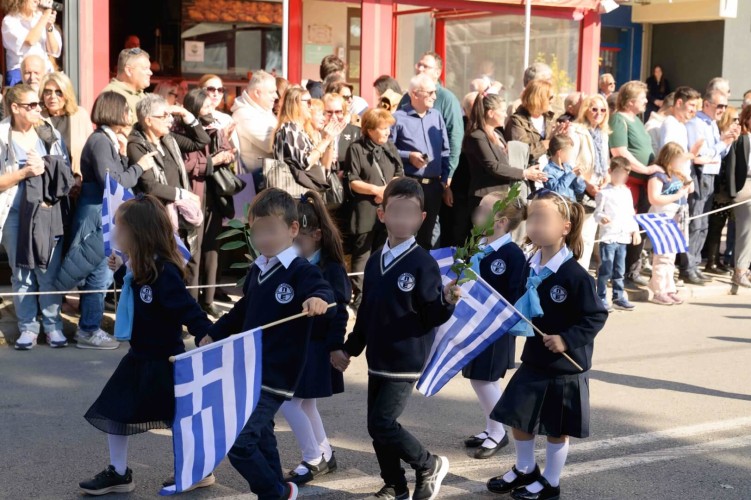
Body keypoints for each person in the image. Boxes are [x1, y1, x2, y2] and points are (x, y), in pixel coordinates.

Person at [198, 188, 335, 500]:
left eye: (271, 230)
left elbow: (323, 290)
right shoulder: (258, 269)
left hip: (277, 374)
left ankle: (276, 493)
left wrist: (317, 299)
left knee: (240, 442)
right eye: (257, 232)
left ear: (293, 229)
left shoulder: (301, 269)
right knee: (262, 437)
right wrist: (214, 333)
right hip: (249, 370)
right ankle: (275, 490)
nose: (263, 239)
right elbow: (242, 310)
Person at [78, 195, 214, 496]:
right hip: (139, 357)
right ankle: (119, 473)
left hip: (166, 361)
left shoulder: (164, 272)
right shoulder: (138, 265)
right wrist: (121, 268)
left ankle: (198, 469)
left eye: (120, 228)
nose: (114, 233)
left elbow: (186, 308)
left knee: (180, 419)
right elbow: (135, 293)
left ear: (139, 233)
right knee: (114, 410)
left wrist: (206, 333)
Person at [336, 177, 460, 500]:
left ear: (421, 218)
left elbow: (432, 315)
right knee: (376, 427)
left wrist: (446, 302)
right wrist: (350, 349)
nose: (402, 220)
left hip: (406, 357)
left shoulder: (423, 263)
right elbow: (366, 312)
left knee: (382, 423)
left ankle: (428, 464)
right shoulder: (375, 260)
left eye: (410, 213)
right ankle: (395, 484)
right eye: (396, 212)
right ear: (382, 214)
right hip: (378, 356)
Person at [486, 190, 607, 500]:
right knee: (518, 418)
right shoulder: (529, 264)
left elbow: (595, 316)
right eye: (532, 219)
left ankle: (551, 482)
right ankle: (525, 468)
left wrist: (566, 339)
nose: (535, 225)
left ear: (565, 227)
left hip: (565, 365)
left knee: (556, 428)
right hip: (535, 358)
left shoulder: (575, 275)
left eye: (543, 219)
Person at [55, 91, 155, 350]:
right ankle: (88, 329)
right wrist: (140, 166)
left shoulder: (107, 140)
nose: (129, 114)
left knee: (101, 272)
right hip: (97, 215)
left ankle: (89, 327)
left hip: (104, 214)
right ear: (114, 111)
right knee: (98, 273)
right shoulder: (100, 141)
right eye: (126, 109)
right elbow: (113, 182)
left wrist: (123, 155)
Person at [281, 191, 351, 486]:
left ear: (317, 235)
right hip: (299, 345)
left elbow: (340, 311)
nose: (293, 247)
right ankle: (324, 453)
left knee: (288, 402)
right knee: (305, 404)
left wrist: (336, 346)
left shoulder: (331, 268)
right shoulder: (293, 263)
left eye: (298, 241)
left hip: (316, 346)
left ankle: (313, 458)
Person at [0, 84, 69, 350]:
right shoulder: (2, 135)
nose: (38, 109)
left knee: (47, 270)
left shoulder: (48, 132)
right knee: (21, 273)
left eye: (38, 104)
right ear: (15, 108)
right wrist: (25, 172)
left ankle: (53, 327)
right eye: (31, 105)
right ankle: (27, 327)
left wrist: (47, 166)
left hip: (45, 210)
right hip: (13, 212)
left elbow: (65, 170)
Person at [462, 192, 526, 460]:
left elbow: (515, 294)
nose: (476, 215)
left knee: (484, 379)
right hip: (475, 325)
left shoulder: (512, 254)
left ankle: (499, 433)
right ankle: (491, 428)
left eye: (482, 211)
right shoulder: (477, 247)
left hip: (496, 328)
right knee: (479, 378)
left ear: (500, 222)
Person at [464, 92, 547, 246]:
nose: (505, 114)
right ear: (490, 113)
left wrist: (527, 169)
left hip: (501, 198)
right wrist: (525, 173)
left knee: (500, 243)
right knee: (483, 242)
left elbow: (505, 164)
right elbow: (493, 166)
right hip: (485, 199)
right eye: (502, 110)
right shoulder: (477, 136)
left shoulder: (497, 134)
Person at [178, 88, 235, 311]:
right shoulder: (180, 131)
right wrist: (213, 160)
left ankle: (208, 300)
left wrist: (227, 155)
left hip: (215, 195)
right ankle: (191, 302)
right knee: (193, 248)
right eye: (206, 104)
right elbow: (186, 165)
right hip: (193, 195)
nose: (212, 107)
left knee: (213, 248)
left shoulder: (216, 127)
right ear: (194, 107)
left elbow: (229, 152)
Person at [344, 108, 404, 311]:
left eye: (388, 128)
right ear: (369, 129)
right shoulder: (356, 148)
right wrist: (376, 190)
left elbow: (399, 172)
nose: (387, 132)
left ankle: (380, 291)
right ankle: (360, 296)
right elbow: (352, 181)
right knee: (362, 253)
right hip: (365, 208)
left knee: (383, 249)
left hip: (387, 207)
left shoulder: (390, 147)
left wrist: (387, 191)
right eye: (383, 128)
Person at [390, 74, 450, 249]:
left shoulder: (436, 116)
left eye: (435, 92)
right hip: (409, 185)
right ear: (415, 94)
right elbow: (388, 150)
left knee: (429, 236)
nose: (434, 96)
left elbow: (445, 151)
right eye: (430, 92)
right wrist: (408, 155)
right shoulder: (398, 118)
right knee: (407, 233)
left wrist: (443, 181)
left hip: (433, 186)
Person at [685, 89, 739, 280]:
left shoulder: (712, 123)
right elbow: (701, 155)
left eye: (725, 106)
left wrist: (728, 141)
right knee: (696, 222)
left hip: (711, 175)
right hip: (700, 174)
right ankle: (688, 266)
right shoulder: (696, 124)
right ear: (706, 104)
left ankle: (695, 264)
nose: (723, 110)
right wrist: (723, 142)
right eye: (719, 106)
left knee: (703, 223)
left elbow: (719, 154)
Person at [609, 81, 659, 288]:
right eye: (642, 98)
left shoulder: (637, 120)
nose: (646, 101)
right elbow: (620, 152)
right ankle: (619, 273)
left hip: (644, 182)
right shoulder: (618, 119)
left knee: (640, 227)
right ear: (630, 101)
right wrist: (645, 169)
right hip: (631, 183)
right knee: (626, 226)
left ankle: (633, 269)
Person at [657, 86, 705, 285]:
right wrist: (690, 159)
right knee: (669, 237)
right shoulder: (670, 124)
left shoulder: (681, 126)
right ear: (678, 103)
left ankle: (671, 277)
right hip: (674, 185)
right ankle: (664, 280)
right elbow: (671, 158)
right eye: (691, 105)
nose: (694, 110)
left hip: (682, 184)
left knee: (679, 233)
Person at [273, 87, 344, 196]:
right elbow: (305, 163)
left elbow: (323, 170)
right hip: (292, 196)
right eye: (308, 102)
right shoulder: (289, 128)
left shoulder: (302, 131)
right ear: (296, 104)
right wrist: (325, 140)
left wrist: (330, 140)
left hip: (305, 195)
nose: (311, 106)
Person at [647, 142, 693, 305]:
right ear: (669, 158)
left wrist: (686, 175)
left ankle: (668, 288)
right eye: (677, 159)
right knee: (662, 256)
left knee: (671, 256)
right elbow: (654, 198)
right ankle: (659, 291)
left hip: (677, 217)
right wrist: (677, 195)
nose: (679, 162)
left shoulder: (677, 173)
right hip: (662, 216)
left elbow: (691, 189)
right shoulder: (657, 175)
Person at [594, 157, 641, 312]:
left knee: (619, 269)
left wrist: (635, 230)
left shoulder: (626, 192)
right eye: (618, 173)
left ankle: (618, 297)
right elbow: (597, 213)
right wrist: (602, 218)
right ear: (611, 172)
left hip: (623, 236)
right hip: (609, 236)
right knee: (606, 269)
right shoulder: (604, 193)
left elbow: (630, 213)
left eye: (624, 174)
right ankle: (601, 297)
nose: (620, 177)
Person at [571, 94, 611, 269]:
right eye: (594, 109)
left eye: (603, 110)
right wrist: (586, 184)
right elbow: (570, 164)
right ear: (586, 109)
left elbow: (605, 164)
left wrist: (607, 177)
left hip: (597, 190)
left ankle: (582, 273)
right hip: (579, 189)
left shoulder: (603, 134)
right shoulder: (576, 130)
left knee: (588, 237)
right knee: (576, 237)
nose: (599, 113)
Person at [705, 105, 740, 274]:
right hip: (718, 188)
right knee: (715, 225)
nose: (737, 123)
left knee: (720, 226)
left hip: (727, 189)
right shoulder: (719, 136)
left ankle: (716, 260)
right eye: (734, 119)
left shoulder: (733, 137)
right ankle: (711, 261)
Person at [39, 71, 93, 178]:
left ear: (67, 94)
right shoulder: (38, 118)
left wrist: (79, 178)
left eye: (59, 92)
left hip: (79, 180)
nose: (52, 96)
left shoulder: (80, 115)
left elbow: (91, 151)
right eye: (48, 92)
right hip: (49, 181)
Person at [723, 105, 751, 288]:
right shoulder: (741, 138)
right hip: (744, 185)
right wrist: (732, 192)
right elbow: (731, 165)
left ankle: (745, 269)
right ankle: (739, 271)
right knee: (746, 229)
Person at [2, 0, 61, 86]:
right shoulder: (10, 20)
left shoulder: (40, 17)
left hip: (43, 73)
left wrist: (49, 27)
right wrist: (45, 16)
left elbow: (54, 50)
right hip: (20, 74)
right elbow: (30, 41)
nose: (37, 1)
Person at [505, 79, 561, 167]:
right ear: (539, 99)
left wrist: (558, 138)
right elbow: (522, 153)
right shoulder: (517, 121)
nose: (552, 101)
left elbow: (552, 152)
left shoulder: (548, 118)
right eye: (550, 98)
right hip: (528, 172)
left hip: (548, 171)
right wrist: (547, 143)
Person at [232, 70, 277, 173]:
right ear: (257, 93)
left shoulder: (263, 109)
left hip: (273, 172)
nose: (276, 96)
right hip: (261, 178)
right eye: (271, 92)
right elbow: (272, 145)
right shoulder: (244, 115)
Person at [102, 48, 152, 125]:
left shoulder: (141, 94)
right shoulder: (111, 97)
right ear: (128, 70)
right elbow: (119, 130)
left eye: (149, 68)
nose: (150, 73)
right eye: (145, 68)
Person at [542, 135, 586, 203]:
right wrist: (571, 175)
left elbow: (580, 190)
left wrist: (578, 177)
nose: (571, 155)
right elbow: (555, 192)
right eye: (569, 152)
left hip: (572, 206)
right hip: (559, 207)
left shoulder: (568, 167)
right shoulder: (548, 170)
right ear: (559, 153)